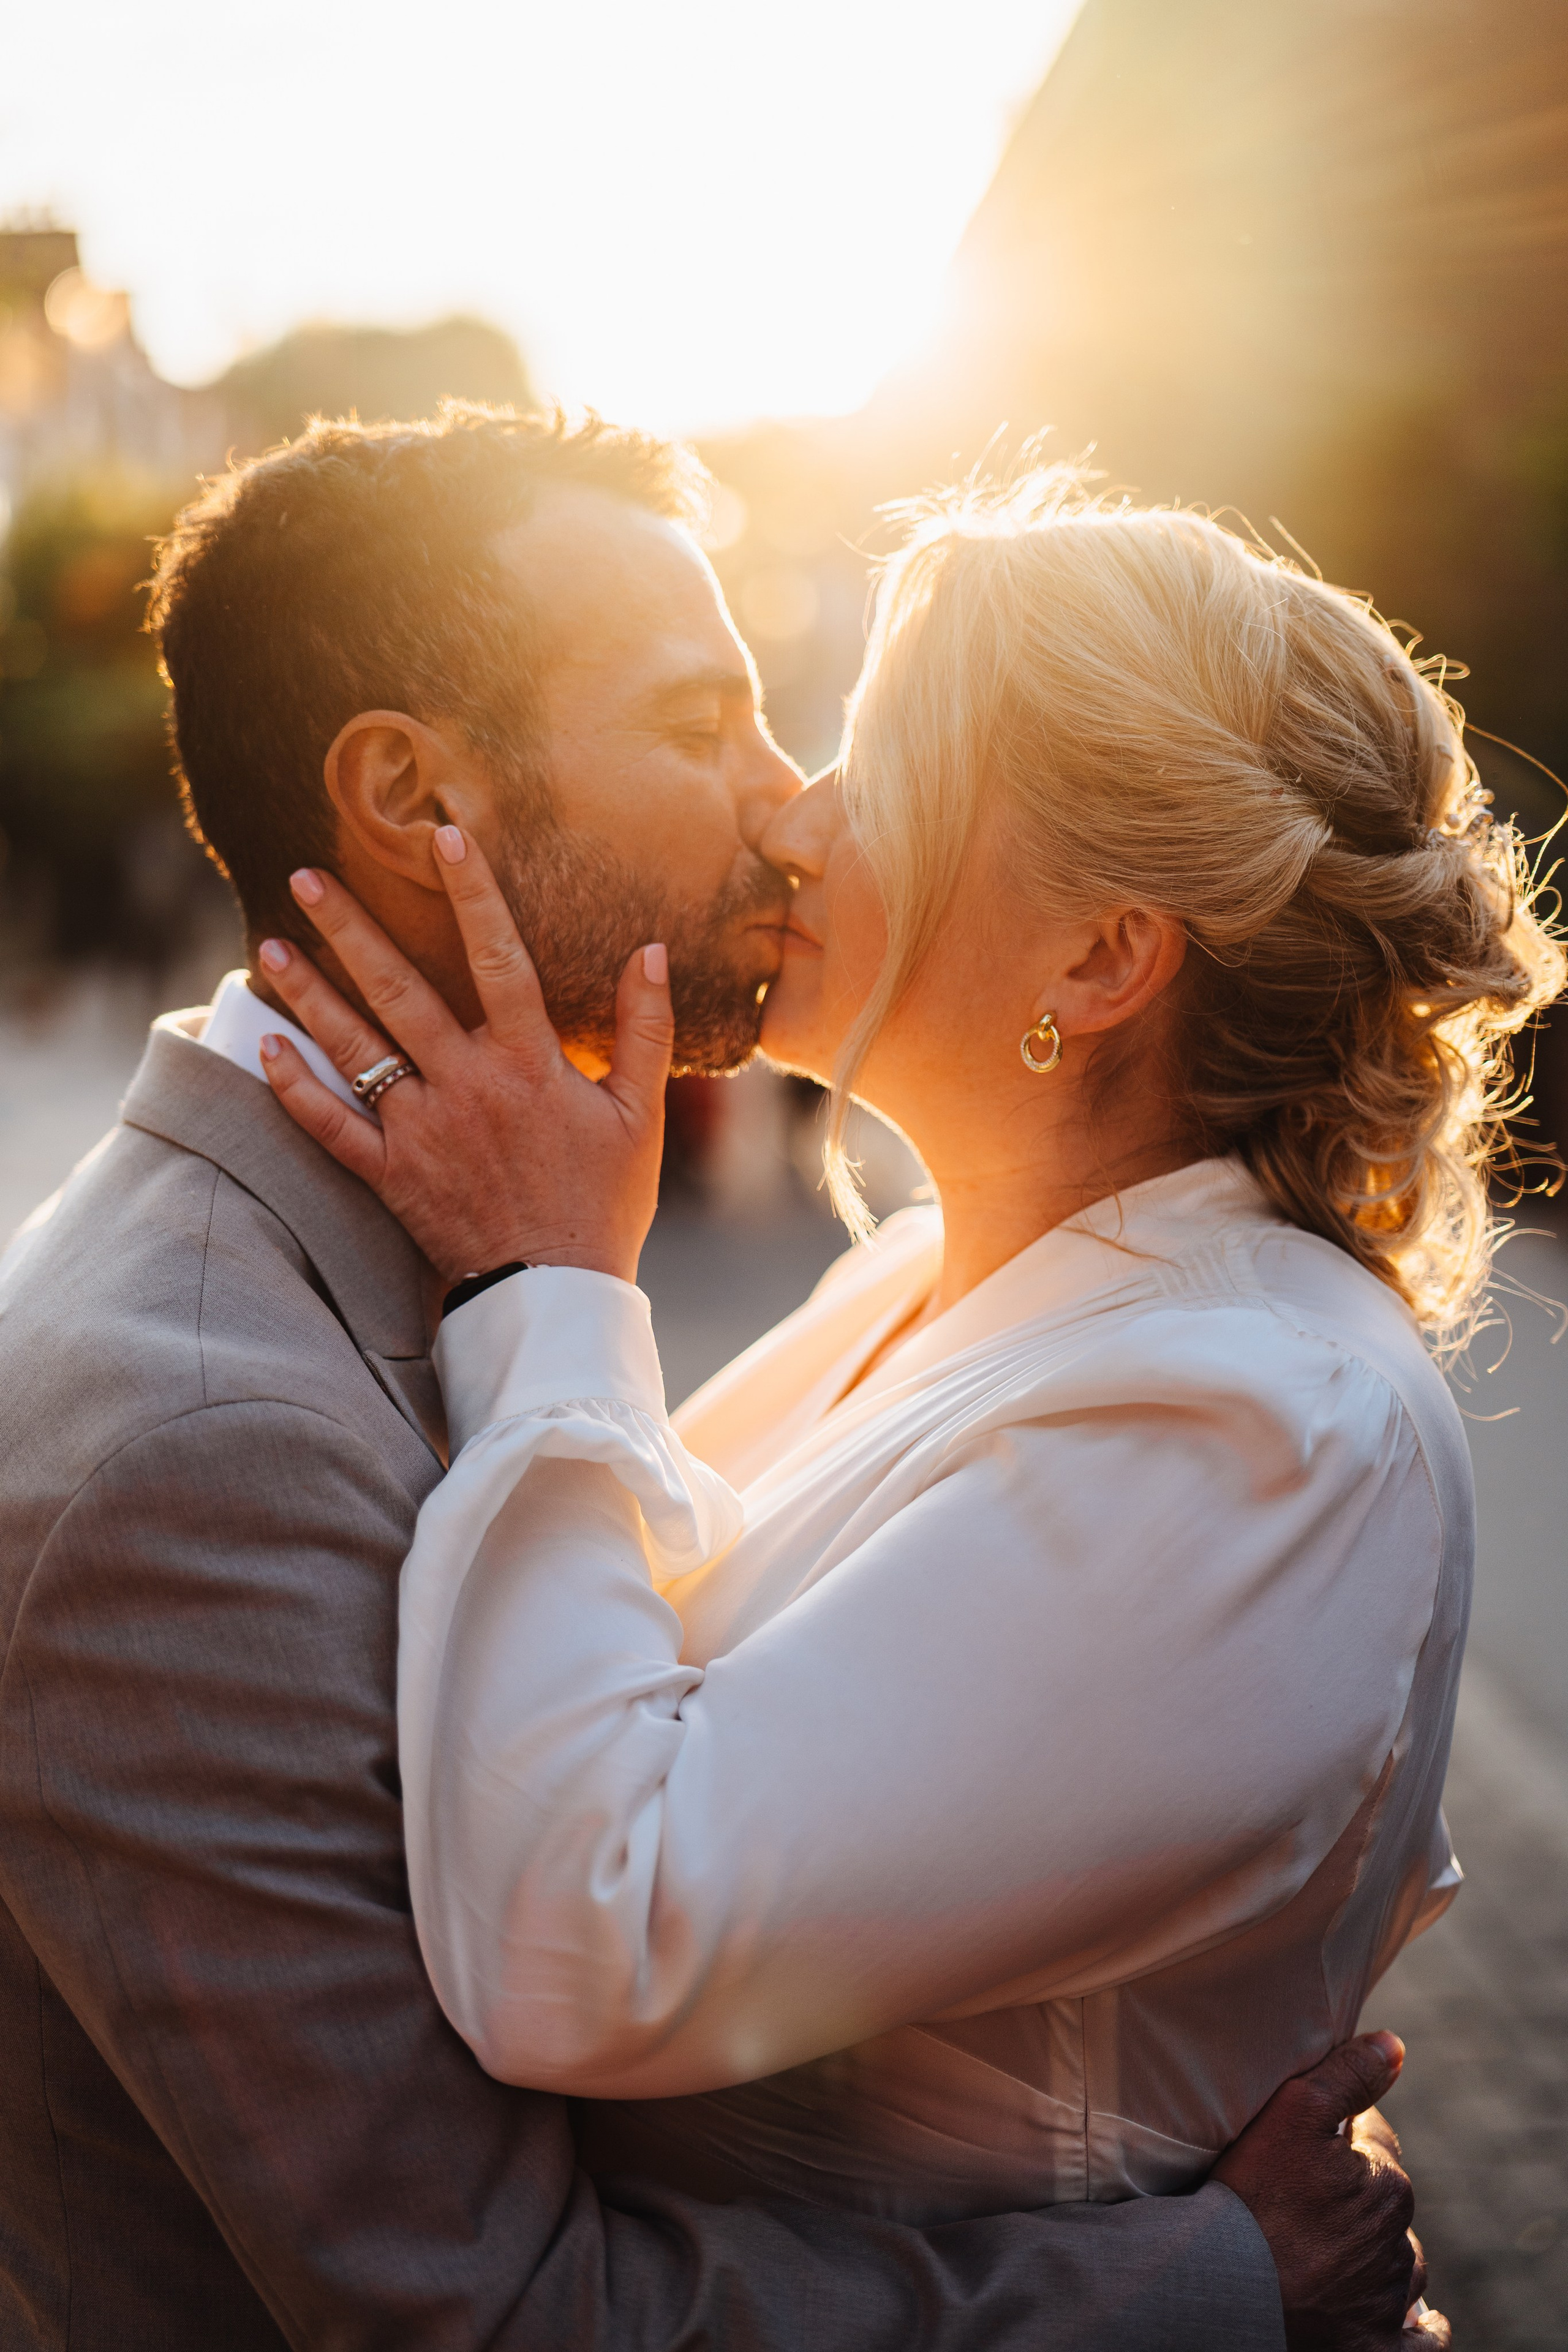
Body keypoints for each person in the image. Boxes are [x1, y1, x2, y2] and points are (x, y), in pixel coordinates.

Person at [0, 408, 1444, 2351]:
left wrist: (542, 1287)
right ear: (414, 797)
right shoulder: (201, 1428)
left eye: (858, 752)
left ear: (1102, 957)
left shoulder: (1258, 1412)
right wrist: (1200, 2290)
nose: (789, 813)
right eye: (711, 729)